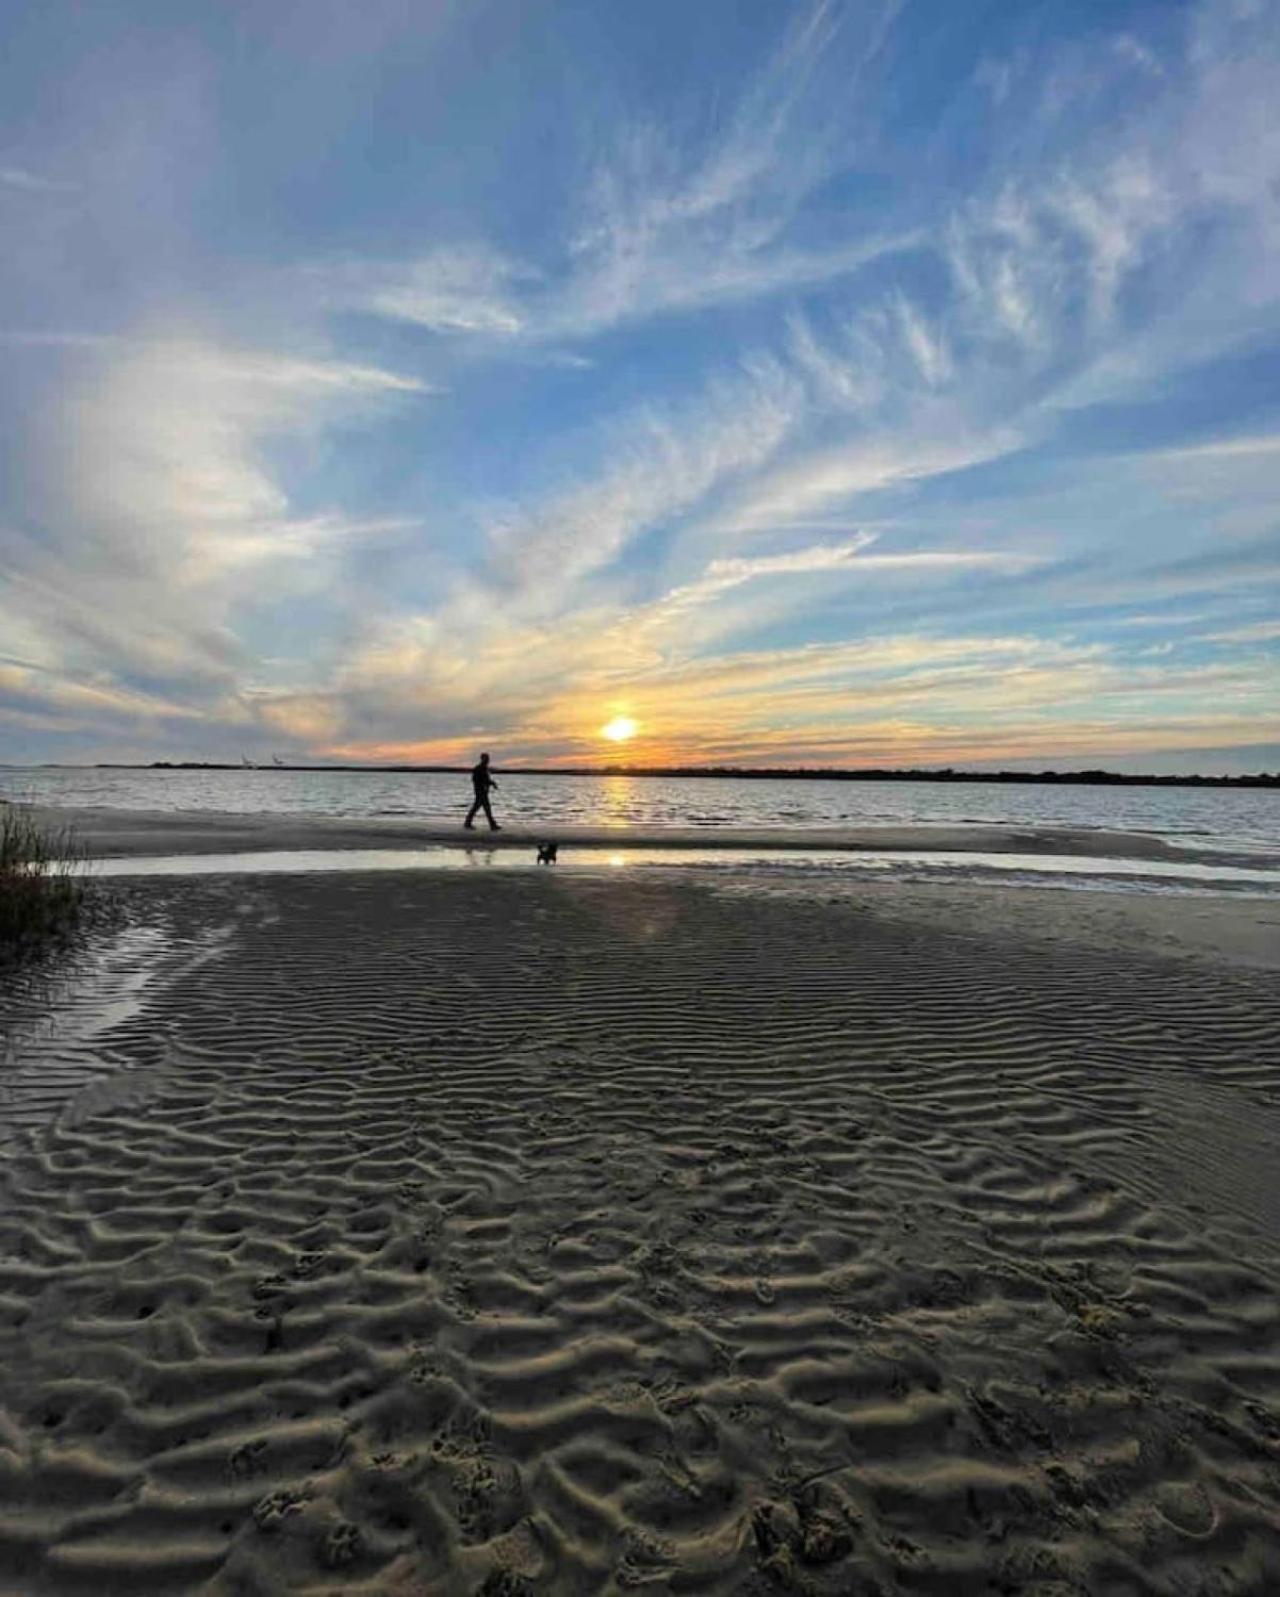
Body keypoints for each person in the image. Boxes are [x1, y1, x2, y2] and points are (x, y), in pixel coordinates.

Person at [464, 752, 500, 831]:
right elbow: (475, 780)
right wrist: (483, 785)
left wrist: (492, 784)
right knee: (485, 808)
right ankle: (492, 825)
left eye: (488, 759)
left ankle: (468, 823)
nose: (488, 760)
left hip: (483, 791)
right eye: (486, 759)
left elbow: (486, 780)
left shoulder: (484, 768)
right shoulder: (478, 768)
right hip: (480, 791)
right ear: (483, 759)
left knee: (480, 807)